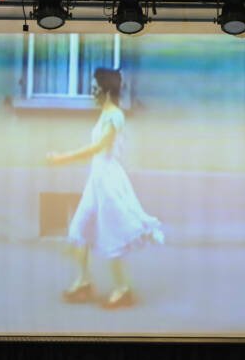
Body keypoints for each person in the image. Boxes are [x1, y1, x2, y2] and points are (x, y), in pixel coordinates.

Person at [46, 67, 163, 308]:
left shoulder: (115, 116)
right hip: (96, 180)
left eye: (94, 89)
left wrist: (62, 158)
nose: (91, 94)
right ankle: (84, 281)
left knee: (112, 233)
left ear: (106, 91)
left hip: (109, 181)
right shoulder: (104, 114)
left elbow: (100, 147)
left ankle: (123, 289)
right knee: (79, 229)